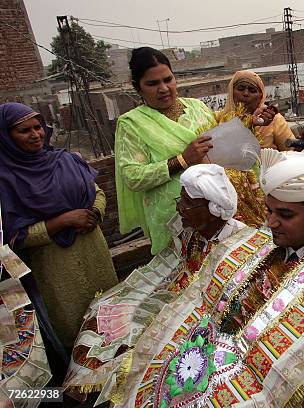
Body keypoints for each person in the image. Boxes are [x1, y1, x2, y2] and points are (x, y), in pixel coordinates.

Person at [112, 150, 304, 407]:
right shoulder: (252, 242)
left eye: (284, 214)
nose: (270, 222)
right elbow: (201, 305)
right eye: (269, 211)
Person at [63, 164, 247, 399]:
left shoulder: (238, 243)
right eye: (179, 201)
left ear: (213, 209)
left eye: (187, 204)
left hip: (201, 312)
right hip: (176, 291)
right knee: (103, 312)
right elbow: (174, 263)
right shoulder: (192, 228)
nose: (179, 208)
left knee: (138, 347)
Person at [115, 47, 265, 255]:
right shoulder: (131, 124)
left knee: (229, 265)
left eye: (168, 79)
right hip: (174, 217)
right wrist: (182, 160)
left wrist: (247, 125)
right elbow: (132, 176)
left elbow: (223, 140)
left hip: (217, 210)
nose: (164, 88)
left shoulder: (197, 107)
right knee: (189, 277)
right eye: (152, 83)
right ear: (137, 88)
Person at [0, 102, 118, 350]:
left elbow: (96, 192)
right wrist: (62, 221)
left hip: (94, 252)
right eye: (24, 131)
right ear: (6, 137)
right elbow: (13, 237)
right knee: (77, 335)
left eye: (38, 127)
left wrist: (94, 213)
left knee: (114, 320)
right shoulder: (7, 180)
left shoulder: (65, 160)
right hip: (54, 268)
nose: (36, 135)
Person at [217, 70, 304, 151]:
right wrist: (250, 122)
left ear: (261, 96)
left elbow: (290, 151)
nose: (246, 93)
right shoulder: (219, 118)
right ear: (232, 91)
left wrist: (303, 143)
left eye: (252, 90)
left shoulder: (274, 120)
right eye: (241, 89)